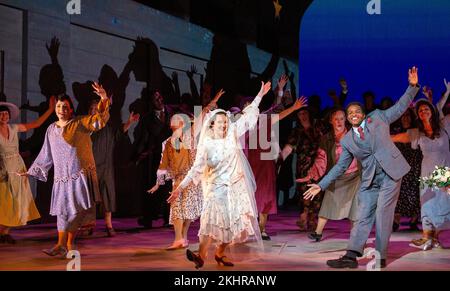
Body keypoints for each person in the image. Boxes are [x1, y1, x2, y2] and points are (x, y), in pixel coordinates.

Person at [303, 67, 420, 269]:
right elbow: (340, 166)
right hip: (370, 179)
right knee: (363, 214)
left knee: (383, 213)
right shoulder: (348, 140)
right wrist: (321, 185)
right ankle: (351, 255)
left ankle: (381, 256)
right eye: (350, 113)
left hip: (391, 174)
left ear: (364, 115)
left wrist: (412, 87)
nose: (353, 114)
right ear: (348, 119)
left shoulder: (378, 118)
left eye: (357, 111)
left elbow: (400, 107)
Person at [170, 81, 272, 269]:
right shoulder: (206, 144)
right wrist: (179, 188)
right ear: (212, 124)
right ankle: (201, 255)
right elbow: (196, 168)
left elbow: (248, 116)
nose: (224, 126)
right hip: (214, 188)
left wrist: (260, 95)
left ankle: (219, 253)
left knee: (231, 225)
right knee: (209, 220)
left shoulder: (233, 132)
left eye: (226, 122)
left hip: (234, 186)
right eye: (220, 123)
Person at [19, 83, 110, 257]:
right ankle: (61, 245)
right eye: (59, 106)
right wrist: (31, 171)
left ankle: (68, 243)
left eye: (65, 107)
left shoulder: (80, 123)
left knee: (75, 211)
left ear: (71, 109)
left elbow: (99, 121)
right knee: (62, 212)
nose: (61, 109)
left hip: (80, 176)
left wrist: (104, 98)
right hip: (61, 178)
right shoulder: (51, 129)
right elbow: (46, 154)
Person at [392, 89, 450, 250]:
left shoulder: (445, 126)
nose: (423, 111)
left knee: (443, 203)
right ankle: (426, 237)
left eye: (426, 108)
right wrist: (378, 137)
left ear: (432, 111)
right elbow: (397, 138)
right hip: (427, 173)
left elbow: (441, 109)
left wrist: (445, 95)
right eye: (420, 110)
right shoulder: (417, 133)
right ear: (418, 114)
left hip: (444, 171)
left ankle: (435, 237)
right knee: (427, 202)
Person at [297, 108, 360, 242]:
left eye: (342, 119)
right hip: (336, 177)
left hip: (354, 177)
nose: (339, 122)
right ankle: (318, 233)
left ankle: (356, 237)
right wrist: (312, 174)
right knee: (328, 202)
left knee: (354, 208)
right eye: (336, 119)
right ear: (331, 121)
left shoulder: (353, 135)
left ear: (346, 120)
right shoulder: (327, 138)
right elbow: (321, 159)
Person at [0, 97, 55, 243]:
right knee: (3, 201)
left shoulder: (14, 128)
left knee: (17, 201)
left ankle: (5, 232)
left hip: (17, 168)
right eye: (1, 114)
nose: (4, 116)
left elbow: (36, 124)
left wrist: (50, 109)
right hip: (3, 168)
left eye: (6, 114)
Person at [88, 98, 140, 237]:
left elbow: (120, 131)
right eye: (92, 109)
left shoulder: (109, 128)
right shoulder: (87, 129)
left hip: (107, 168)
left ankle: (108, 225)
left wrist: (129, 122)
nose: (94, 111)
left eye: (96, 109)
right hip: (92, 167)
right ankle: (90, 224)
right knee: (91, 196)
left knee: (107, 195)